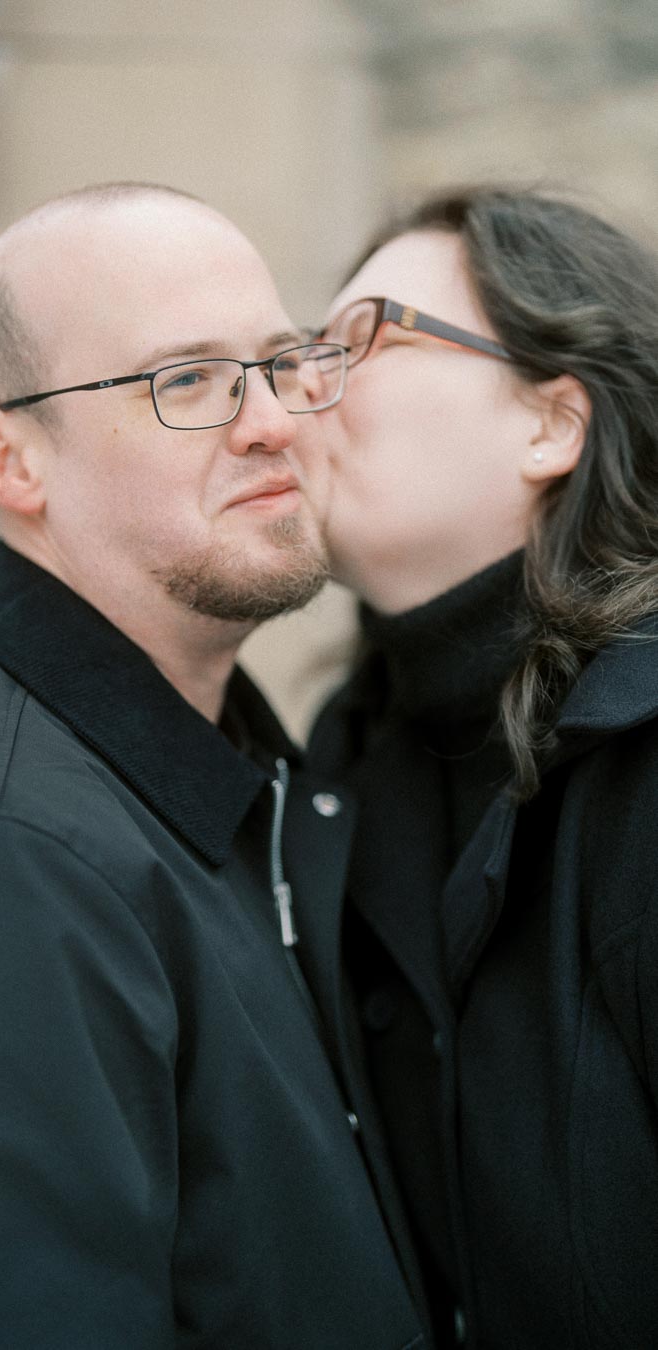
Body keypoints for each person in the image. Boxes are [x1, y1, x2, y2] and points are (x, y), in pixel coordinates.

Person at [0, 183, 426, 1350]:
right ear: (10, 460)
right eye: (187, 381)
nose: (271, 420)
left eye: (280, 362)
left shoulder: (232, 773)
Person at [308, 186, 658, 1349]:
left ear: (551, 423)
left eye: (363, 340)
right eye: (307, 350)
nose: (305, 389)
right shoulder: (331, 780)